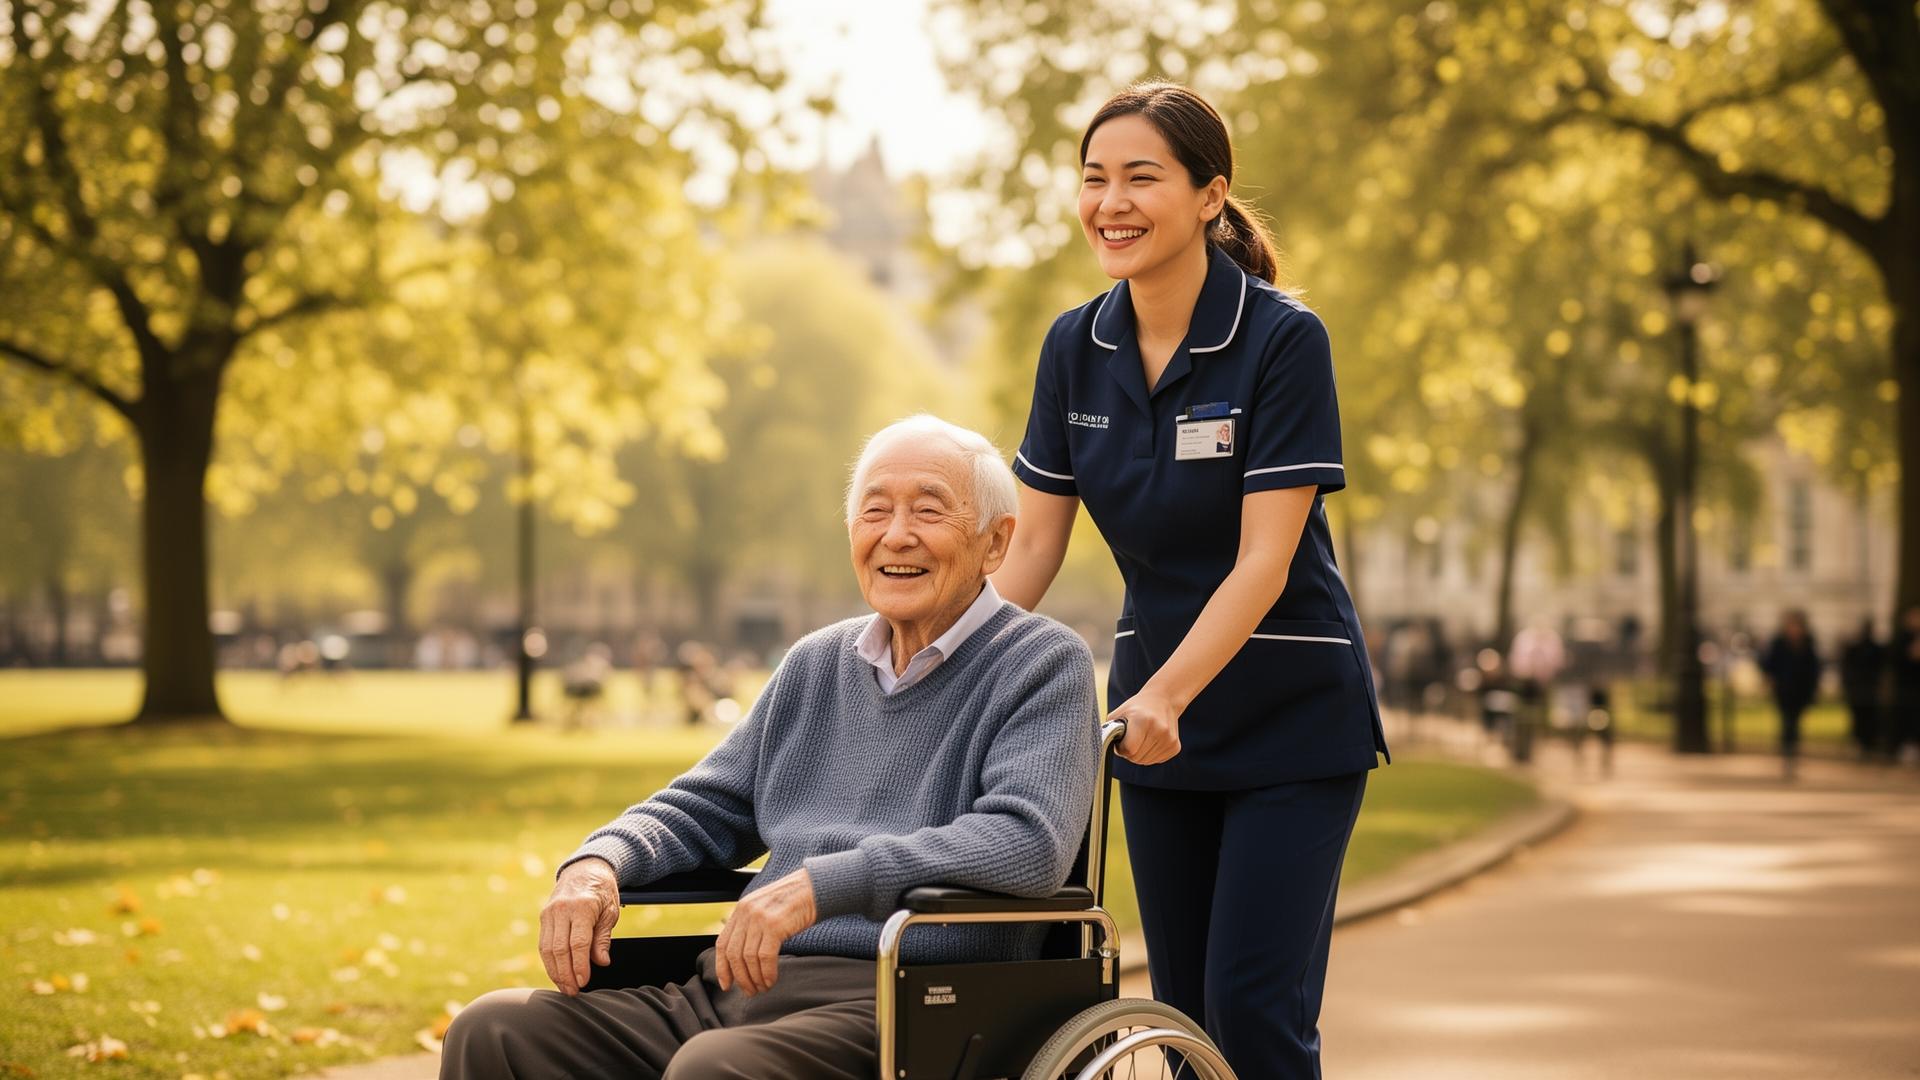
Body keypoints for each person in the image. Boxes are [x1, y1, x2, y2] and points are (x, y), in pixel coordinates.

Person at [441, 416, 1099, 1079]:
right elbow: (707, 806)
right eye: (875, 511)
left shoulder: (1041, 662)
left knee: (714, 1068)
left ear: (995, 543)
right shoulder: (816, 663)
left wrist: (826, 884)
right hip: (738, 986)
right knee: (495, 1031)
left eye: (928, 511)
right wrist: (597, 862)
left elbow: (1028, 842)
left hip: (914, 1001)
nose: (896, 534)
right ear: (852, 535)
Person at [993, 81, 1388, 1077]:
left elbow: (1265, 558)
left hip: (1291, 719)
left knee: (1253, 1013)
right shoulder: (1073, 347)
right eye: (1093, 180)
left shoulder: (1283, 340)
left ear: (1211, 196)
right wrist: (938, 659)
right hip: (1157, 729)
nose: (1109, 204)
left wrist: (1167, 690)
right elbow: (1031, 549)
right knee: (1181, 1023)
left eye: (1141, 178)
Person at [1760, 610, 1821, 779]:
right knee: (1787, 722)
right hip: (1784, 690)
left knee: (1795, 722)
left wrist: (1813, 688)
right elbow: (1768, 664)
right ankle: (1788, 754)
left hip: (1801, 691)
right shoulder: (1779, 643)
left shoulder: (1808, 644)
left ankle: (1792, 753)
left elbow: (1814, 669)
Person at [1839, 618, 1887, 760]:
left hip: (1867, 689)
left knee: (1869, 718)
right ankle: (1862, 745)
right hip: (1859, 689)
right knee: (1860, 718)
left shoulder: (1874, 649)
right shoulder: (1857, 648)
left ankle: (1867, 745)